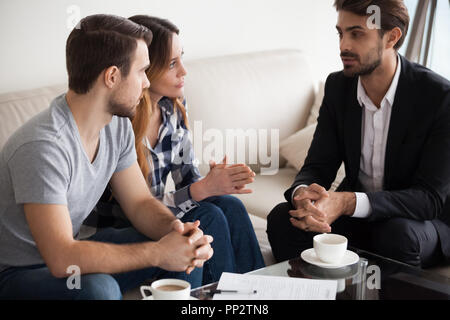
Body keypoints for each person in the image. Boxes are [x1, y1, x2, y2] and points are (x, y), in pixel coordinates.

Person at [0, 14, 214, 300]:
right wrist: (157, 253)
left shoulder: (116, 125)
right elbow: (63, 257)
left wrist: (175, 231)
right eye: (141, 72)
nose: (146, 84)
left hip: (69, 252)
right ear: (112, 76)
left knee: (182, 246)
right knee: (99, 289)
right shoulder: (43, 147)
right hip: (18, 273)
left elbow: (139, 204)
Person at [267, 0, 450, 268]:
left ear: (392, 37)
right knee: (285, 219)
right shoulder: (338, 87)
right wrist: (303, 195)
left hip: (423, 224)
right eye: (341, 33)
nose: (344, 46)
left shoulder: (438, 97)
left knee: (397, 234)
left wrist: (348, 202)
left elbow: (428, 200)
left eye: (357, 34)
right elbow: (318, 166)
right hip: (362, 218)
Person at [84, 15, 265, 285]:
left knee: (230, 206)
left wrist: (212, 183)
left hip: (158, 215)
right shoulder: (120, 119)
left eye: (182, 58)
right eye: (172, 63)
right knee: (208, 215)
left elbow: (190, 183)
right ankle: (228, 297)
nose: (184, 70)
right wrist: (202, 189)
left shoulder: (173, 108)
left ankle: (259, 291)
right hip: (123, 226)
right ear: (146, 67)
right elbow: (134, 209)